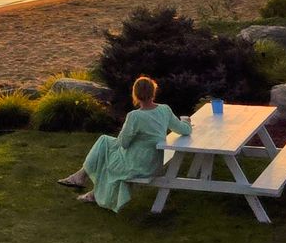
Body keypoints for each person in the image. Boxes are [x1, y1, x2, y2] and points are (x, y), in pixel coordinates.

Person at [58, 75, 191, 211]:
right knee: (104, 142)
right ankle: (84, 181)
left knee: (106, 155)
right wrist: (186, 122)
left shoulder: (135, 116)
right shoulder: (164, 109)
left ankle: (86, 183)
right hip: (153, 162)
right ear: (153, 92)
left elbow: (124, 143)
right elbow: (184, 130)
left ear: (136, 94)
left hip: (138, 164)